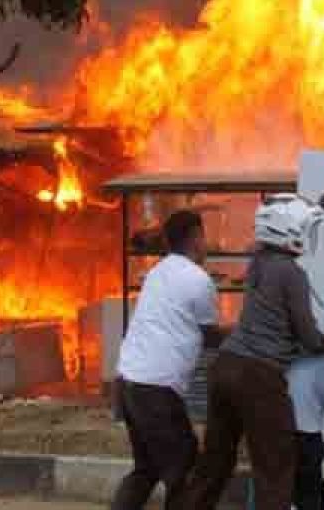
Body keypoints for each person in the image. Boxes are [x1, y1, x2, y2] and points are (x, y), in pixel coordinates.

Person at [185, 174, 324, 510]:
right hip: (259, 377)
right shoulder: (293, 274)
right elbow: (307, 335)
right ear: (289, 232)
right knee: (275, 471)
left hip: (225, 367)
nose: (308, 234)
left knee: (214, 465)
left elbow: (297, 220)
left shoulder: (259, 259)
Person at [112, 210, 224, 510]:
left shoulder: (157, 272)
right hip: (156, 387)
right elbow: (211, 335)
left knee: (147, 468)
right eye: (204, 237)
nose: (206, 244)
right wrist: (247, 336)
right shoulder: (199, 280)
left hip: (128, 380)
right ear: (196, 237)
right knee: (184, 464)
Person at [288, 352, 324, 510]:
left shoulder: (288, 338)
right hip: (308, 433)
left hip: (278, 428)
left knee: (272, 495)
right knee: (311, 498)